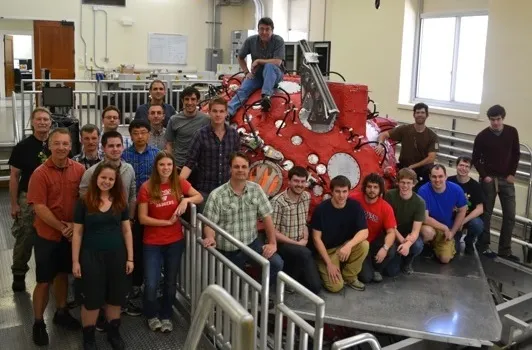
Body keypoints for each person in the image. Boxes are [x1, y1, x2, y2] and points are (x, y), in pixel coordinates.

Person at [27, 128, 86, 346]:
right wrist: (63, 227)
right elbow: (39, 208)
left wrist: (75, 226)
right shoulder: (39, 174)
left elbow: (84, 200)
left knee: (62, 274)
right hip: (47, 235)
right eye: (57, 144)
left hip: (70, 235)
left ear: (71, 147)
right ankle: (38, 322)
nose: (61, 148)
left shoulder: (79, 170)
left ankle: (61, 312)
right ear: (49, 146)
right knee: (43, 281)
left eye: (65, 144)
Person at [138, 151, 203, 332]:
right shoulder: (146, 187)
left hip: (174, 241)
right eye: (162, 165)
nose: (166, 168)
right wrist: (165, 222)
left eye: (169, 165)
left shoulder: (179, 183)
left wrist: (186, 201)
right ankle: (151, 314)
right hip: (152, 242)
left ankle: (166, 315)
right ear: (156, 167)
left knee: (170, 281)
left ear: (173, 167)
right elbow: (142, 218)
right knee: (151, 282)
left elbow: (199, 196)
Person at [79, 131, 141, 321]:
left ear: (123, 147)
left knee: (119, 271)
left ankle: (117, 305)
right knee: (98, 275)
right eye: (110, 146)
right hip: (97, 232)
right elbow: (83, 199)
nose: (115, 149)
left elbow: (132, 196)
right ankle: (97, 312)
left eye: (118, 145)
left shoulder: (129, 169)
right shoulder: (91, 172)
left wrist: (129, 219)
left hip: (121, 227)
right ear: (103, 148)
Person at [72, 162, 134, 350]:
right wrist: (75, 261)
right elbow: (77, 233)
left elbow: (126, 230)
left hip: (117, 256)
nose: (106, 181)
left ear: (115, 182)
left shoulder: (120, 201)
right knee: (92, 299)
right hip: (91, 257)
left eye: (110, 179)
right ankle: (89, 337)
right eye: (103, 178)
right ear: (95, 178)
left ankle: (113, 332)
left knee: (115, 297)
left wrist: (130, 258)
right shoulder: (84, 202)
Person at [202, 152, 283, 291]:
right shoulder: (217, 195)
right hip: (228, 249)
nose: (240, 170)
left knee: (276, 263)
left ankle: (258, 292)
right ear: (230, 169)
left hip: (251, 243)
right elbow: (209, 224)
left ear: (248, 169)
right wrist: (210, 237)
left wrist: (272, 243)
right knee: (231, 289)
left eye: (244, 167)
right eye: (236, 166)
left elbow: (267, 217)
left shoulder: (256, 189)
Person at [8, 107, 52, 292]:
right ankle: (19, 274)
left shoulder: (56, 144)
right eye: (39, 119)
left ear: (50, 123)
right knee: (25, 237)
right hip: (28, 198)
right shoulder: (22, 147)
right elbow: (14, 176)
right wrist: (14, 203)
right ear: (32, 122)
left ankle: (51, 274)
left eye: (46, 119)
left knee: (51, 237)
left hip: (51, 198)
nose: (42, 122)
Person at [472, 104, 520, 262]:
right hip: (489, 179)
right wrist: (484, 176)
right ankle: (484, 246)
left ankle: (504, 250)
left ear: (503, 118)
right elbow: (476, 159)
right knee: (486, 214)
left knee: (510, 215)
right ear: (489, 120)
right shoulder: (482, 136)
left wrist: (512, 174)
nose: (496, 123)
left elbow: (516, 154)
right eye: (492, 120)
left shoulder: (512, 132)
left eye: (498, 119)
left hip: (506, 179)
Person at [310, 175, 369, 292]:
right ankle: (323, 267)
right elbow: (316, 239)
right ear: (331, 191)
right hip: (326, 251)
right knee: (336, 287)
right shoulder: (321, 210)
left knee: (364, 245)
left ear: (348, 191)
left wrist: (348, 246)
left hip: (343, 247)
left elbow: (364, 232)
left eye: (344, 191)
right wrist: (329, 264)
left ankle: (349, 276)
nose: (341, 195)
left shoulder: (355, 206)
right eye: (337, 191)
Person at [181, 97, 240, 208]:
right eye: (215, 111)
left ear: (226, 113)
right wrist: (178, 185)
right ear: (209, 112)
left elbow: (237, 163)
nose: (218, 114)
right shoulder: (200, 135)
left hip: (228, 191)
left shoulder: (233, 134)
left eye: (221, 111)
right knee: (204, 224)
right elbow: (189, 163)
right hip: (205, 191)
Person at [270, 166, 321, 294]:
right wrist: (297, 244)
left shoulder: (306, 197)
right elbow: (273, 233)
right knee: (304, 253)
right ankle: (289, 280)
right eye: (296, 181)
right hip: (284, 244)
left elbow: (303, 220)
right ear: (289, 181)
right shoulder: (278, 202)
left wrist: (305, 236)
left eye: (302, 181)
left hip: (300, 241)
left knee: (315, 287)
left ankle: (294, 277)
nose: (300, 185)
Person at [227, 17, 285, 118]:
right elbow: (240, 57)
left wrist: (258, 61)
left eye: (267, 29)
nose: (264, 32)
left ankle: (266, 97)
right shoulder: (251, 41)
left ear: (272, 30)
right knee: (243, 89)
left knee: (269, 66)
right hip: (257, 75)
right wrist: (246, 72)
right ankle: (228, 113)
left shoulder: (278, 41)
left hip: (274, 75)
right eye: (261, 29)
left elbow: (277, 62)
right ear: (258, 30)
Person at [376, 103, 438, 189]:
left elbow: (431, 158)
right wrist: (380, 144)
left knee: (431, 179)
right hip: (405, 166)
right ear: (414, 115)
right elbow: (383, 134)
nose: (420, 115)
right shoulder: (405, 129)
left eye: (422, 112)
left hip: (422, 169)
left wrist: (413, 166)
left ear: (427, 115)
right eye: (418, 112)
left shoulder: (432, 136)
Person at [351, 173, 397, 283]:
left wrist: (385, 248)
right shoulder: (353, 198)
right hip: (357, 242)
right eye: (369, 186)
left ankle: (376, 268)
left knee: (391, 248)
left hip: (373, 241)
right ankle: (365, 267)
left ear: (380, 189)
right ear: (364, 188)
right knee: (366, 278)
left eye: (375, 187)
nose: (372, 190)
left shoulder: (386, 207)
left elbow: (391, 232)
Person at [418, 164, 467, 264]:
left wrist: (452, 232)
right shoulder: (423, 191)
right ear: (430, 177)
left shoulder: (456, 190)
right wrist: (444, 228)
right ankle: (428, 245)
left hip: (448, 228)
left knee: (445, 259)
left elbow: (462, 210)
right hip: (431, 226)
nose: (437, 180)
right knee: (427, 232)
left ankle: (438, 246)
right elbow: (425, 218)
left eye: (440, 176)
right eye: (434, 176)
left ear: (446, 176)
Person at [384, 168, 426, 275]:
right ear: (397, 182)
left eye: (408, 183)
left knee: (417, 245)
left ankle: (407, 261)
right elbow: (388, 222)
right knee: (391, 272)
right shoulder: (389, 195)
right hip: (392, 231)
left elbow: (416, 230)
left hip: (408, 234)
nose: (405, 186)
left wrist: (407, 243)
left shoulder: (420, 202)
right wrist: (400, 239)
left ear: (414, 184)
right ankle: (397, 256)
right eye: (402, 182)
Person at [164, 86, 209, 168]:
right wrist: (172, 163)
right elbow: (169, 144)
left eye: (193, 99)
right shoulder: (174, 119)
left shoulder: (206, 119)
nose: (190, 102)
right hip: (180, 165)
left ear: (198, 101)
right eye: (187, 99)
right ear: (182, 101)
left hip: (199, 166)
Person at [448, 156, 484, 255]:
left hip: (467, 219)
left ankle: (469, 241)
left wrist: (462, 221)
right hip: (451, 219)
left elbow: (480, 209)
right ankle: (457, 237)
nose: (463, 168)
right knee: (454, 250)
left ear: (470, 169)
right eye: (461, 165)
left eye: (466, 166)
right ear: (456, 166)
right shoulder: (448, 181)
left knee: (477, 224)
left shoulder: (475, 186)